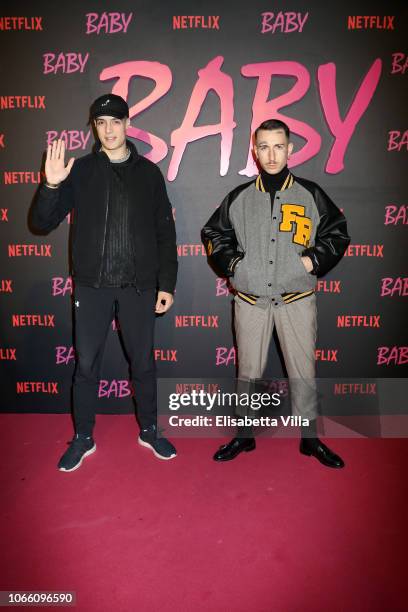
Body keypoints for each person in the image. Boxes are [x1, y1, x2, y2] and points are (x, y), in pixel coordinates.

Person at [30, 94, 178, 471]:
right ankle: (83, 437)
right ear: (94, 128)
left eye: (115, 121)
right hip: (92, 287)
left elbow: (165, 232)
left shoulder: (148, 173)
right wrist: (50, 185)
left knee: (143, 364)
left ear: (128, 124)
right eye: (101, 123)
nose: (109, 130)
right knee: (86, 366)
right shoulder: (79, 170)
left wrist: (167, 283)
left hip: (138, 286)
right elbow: (41, 223)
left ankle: (149, 429)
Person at [202, 119, 350, 468]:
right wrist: (236, 265)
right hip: (251, 301)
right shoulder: (239, 197)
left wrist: (311, 261)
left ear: (290, 149)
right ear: (254, 150)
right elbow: (214, 234)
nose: (271, 154)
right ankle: (244, 435)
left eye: (278, 146)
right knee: (248, 370)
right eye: (264, 146)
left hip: (296, 300)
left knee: (303, 371)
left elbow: (338, 234)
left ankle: (310, 439)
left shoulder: (310, 193)